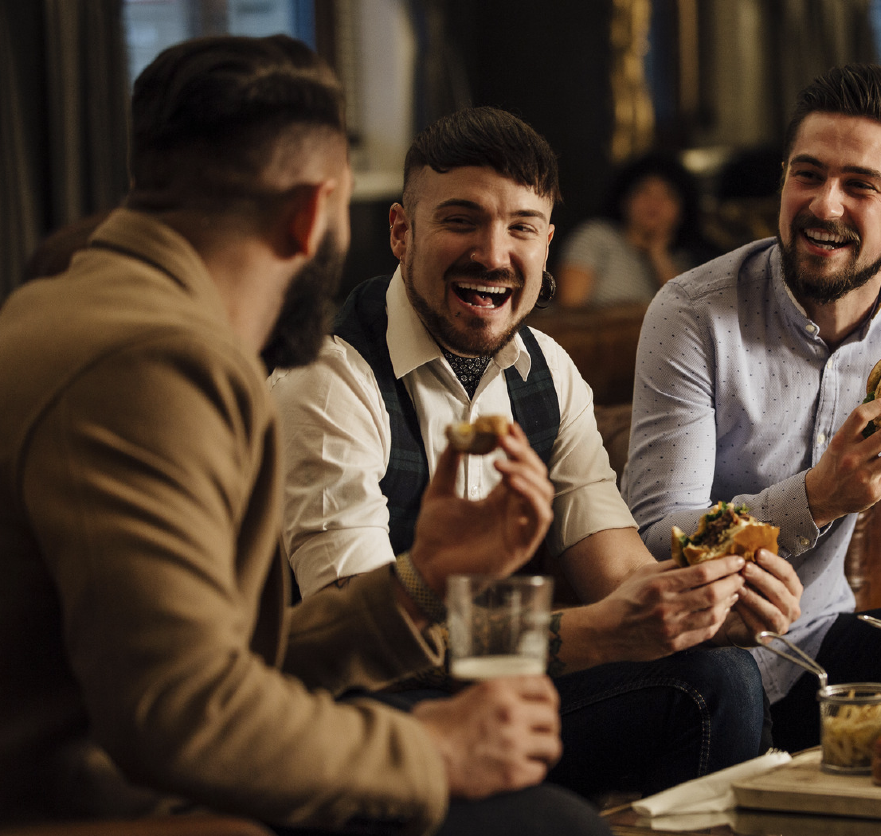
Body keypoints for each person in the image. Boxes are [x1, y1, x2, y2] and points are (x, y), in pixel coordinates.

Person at [0, 35, 611, 836]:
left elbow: (222, 663)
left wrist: (422, 582)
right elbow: (182, 716)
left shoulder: (72, 305)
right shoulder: (155, 363)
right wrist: (426, 750)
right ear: (316, 213)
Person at [268, 106, 803, 797]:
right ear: (401, 231)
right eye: (460, 220)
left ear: (547, 244)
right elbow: (364, 639)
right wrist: (603, 634)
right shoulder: (329, 376)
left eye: (520, 227)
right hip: (366, 730)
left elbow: (622, 580)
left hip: (496, 699)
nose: (493, 255)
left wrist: (702, 610)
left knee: (720, 675)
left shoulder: (547, 369)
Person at [623, 63, 881, 753]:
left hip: (824, 638)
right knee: (725, 684)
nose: (825, 205)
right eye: (808, 175)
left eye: (860, 186)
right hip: (708, 655)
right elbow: (656, 541)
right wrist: (814, 499)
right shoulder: (692, 314)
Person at [556, 151, 716, 308]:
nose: (654, 202)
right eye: (644, 191)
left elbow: (691, 316)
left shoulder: (682, 261)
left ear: (682, 211)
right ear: (624, 200)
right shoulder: (596, 237)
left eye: (667, 195)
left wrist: (659, 255)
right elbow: (570, 312)